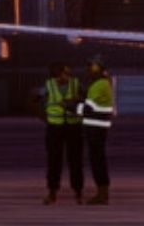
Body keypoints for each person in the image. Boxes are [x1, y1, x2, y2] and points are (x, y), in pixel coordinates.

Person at [43, 62, 87, 205]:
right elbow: (36, 101)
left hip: (73, 126)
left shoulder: (76, 84)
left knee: (76, 161)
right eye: (63, 74)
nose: (66, 76)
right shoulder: (48, 86)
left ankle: (78, 192)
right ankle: (52, 192)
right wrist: (44, 116)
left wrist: (77, 106)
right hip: (55, 127)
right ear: (56, 75)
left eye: (67, 74)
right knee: (54, 160)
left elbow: (86, 100)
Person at [80, 60, 117, 204]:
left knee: (97, 161)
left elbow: (87, 109)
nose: (88, 72)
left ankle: (102, 194)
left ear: (96, 71)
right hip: (98, 127)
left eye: (90, 70)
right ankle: (102, 193)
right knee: (98, 160)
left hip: (96, 129)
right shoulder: (103, 83)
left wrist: (70, 107)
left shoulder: (98, 85)